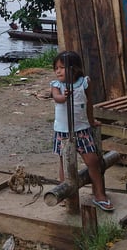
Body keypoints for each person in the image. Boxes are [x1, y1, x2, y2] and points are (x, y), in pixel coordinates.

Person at [50, 50, 113, 212]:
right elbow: (57, 98)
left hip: (82, 130)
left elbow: (89, 102)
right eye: (56, 67)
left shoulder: (84, 82)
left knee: (93, 161)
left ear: (75, 68)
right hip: (63, 132)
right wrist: (63, 97)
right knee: (65, 164)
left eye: (62, 67)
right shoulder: (57, 86)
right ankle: (65, 193)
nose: (58, 71)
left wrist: (92, 121)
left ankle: (99, 194)